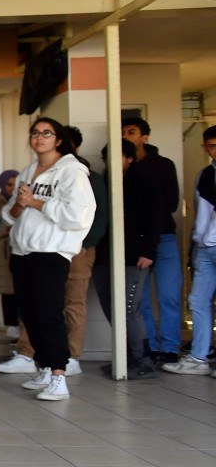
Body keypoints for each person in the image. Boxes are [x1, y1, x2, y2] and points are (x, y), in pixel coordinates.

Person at [3, 117, 96, 401]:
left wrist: (35, 202)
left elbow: (78, 215)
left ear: (58, 140)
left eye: (46, 133)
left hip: (51, 252)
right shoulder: (28, 172)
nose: (39, 137)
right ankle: (44, 367)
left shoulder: (71, 172)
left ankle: (59, 375)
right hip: (22, 251)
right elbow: (9, 215)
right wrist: (20, 204)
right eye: (35, 133)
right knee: (29, 314)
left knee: (48, 313)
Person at [93, 140, 160, 380]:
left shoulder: (143, 183)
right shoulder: (102, 184)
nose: (111, 162)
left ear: (129, 158)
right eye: (107, 157)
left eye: (117, 156)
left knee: (129, 309)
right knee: (112, 308)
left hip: (134, 257)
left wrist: (148, 251)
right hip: (103, 257)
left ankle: (143, 361)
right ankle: (126, 358)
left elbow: (154, 219)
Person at [122, 116, 182, 366]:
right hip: (136, 242)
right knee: (140, 299)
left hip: (164, 237)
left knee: (169, 295)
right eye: (123, 131)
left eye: (132, 131)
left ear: (145, 136)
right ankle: (149, 348)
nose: (126, 135)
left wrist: (150, 217)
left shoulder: (163, 165)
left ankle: (170, 348)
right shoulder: (122, 168)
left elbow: (170, 203)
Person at [163, 126, 216, 376]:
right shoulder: (204, 174)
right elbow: (200, 213)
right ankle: (199, 357)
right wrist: (195, 245)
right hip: (205, 247)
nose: (214, 150)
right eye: (211, 145)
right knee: (197, 300)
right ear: (205, 147)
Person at [0, 169, 20, 342]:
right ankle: (12, 327)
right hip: (3, 255)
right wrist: (11, 227)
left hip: (20, 252)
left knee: (22, 291)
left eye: (15, 184)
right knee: (8, 293)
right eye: (9, 184)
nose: (12, 188)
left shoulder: (24, 201)